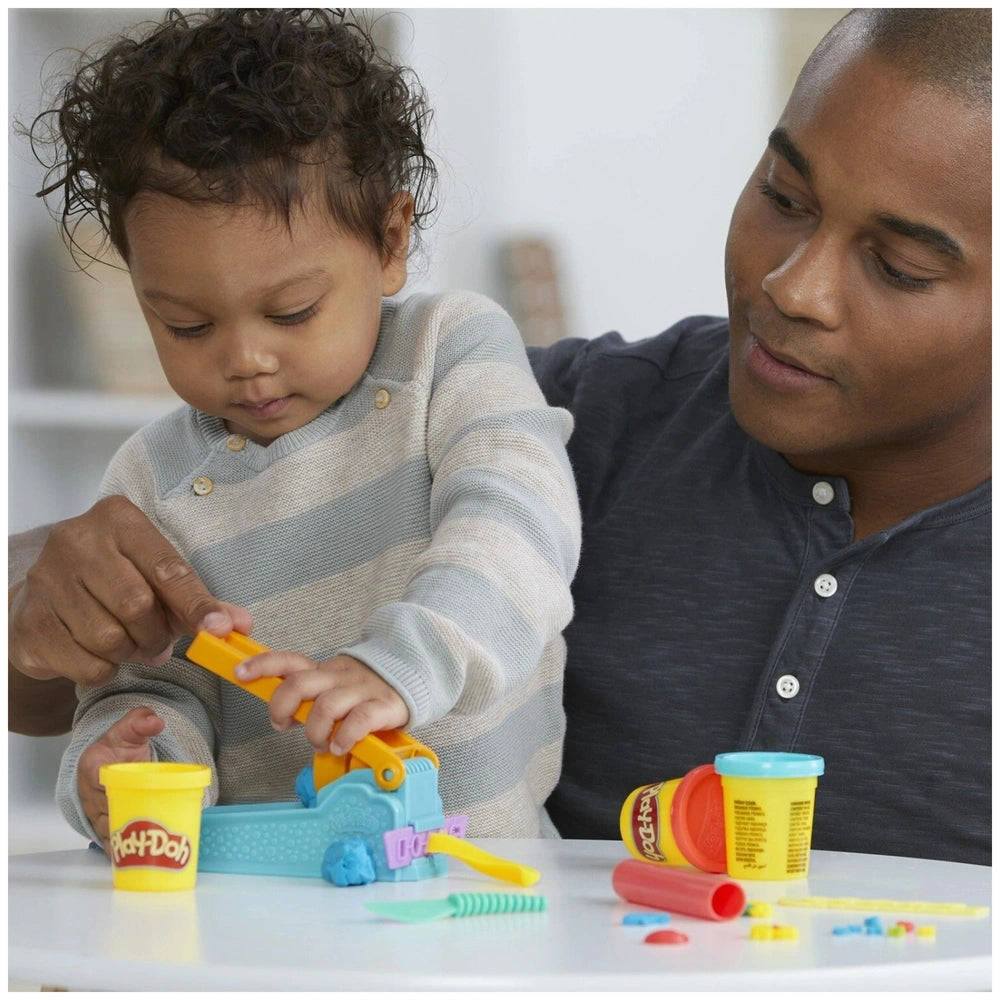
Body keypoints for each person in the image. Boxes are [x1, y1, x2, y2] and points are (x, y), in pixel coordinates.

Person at [10, 8, 990, 865]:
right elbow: (90, 670)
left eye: (899, 265)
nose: (794, 287)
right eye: (784, 197)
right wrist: (41, 600)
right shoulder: (568, 410)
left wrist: (398, 665)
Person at [10, 9, 581, 852]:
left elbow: (519, 520)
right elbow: (154, 692)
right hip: (256, 908)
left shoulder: (447, 352)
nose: (246, 361)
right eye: (185, 326)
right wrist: (130, 766)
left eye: (291, 312)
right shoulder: (150, 480)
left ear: (390, 240)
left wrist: (398, 665)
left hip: (475, 891)